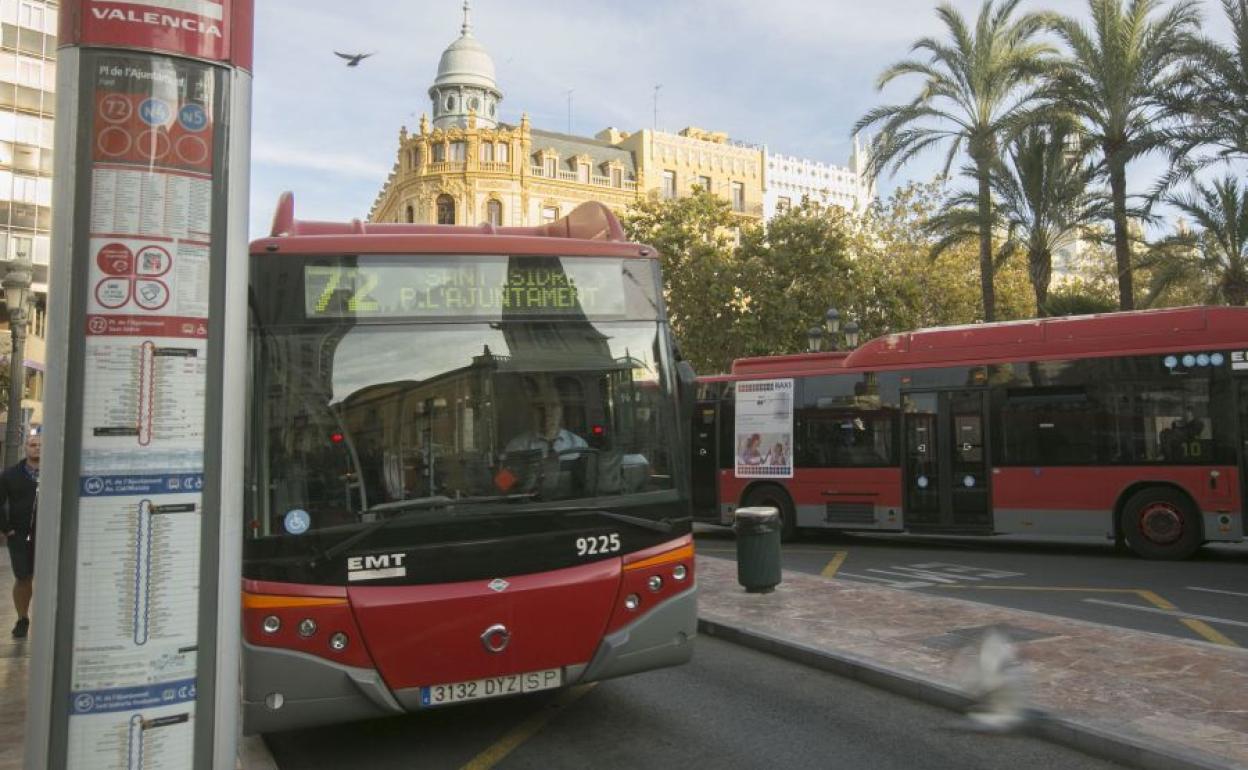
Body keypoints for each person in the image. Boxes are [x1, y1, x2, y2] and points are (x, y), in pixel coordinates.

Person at [1, 431, 40, 638]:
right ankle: (22, 618)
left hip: (50, 533)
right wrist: (7, 529)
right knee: (23, 577)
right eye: (33, 444)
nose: (37, 448)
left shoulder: (56, 472)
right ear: (25, 448)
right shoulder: (10, 475)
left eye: (40, 445)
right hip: (20, 534)